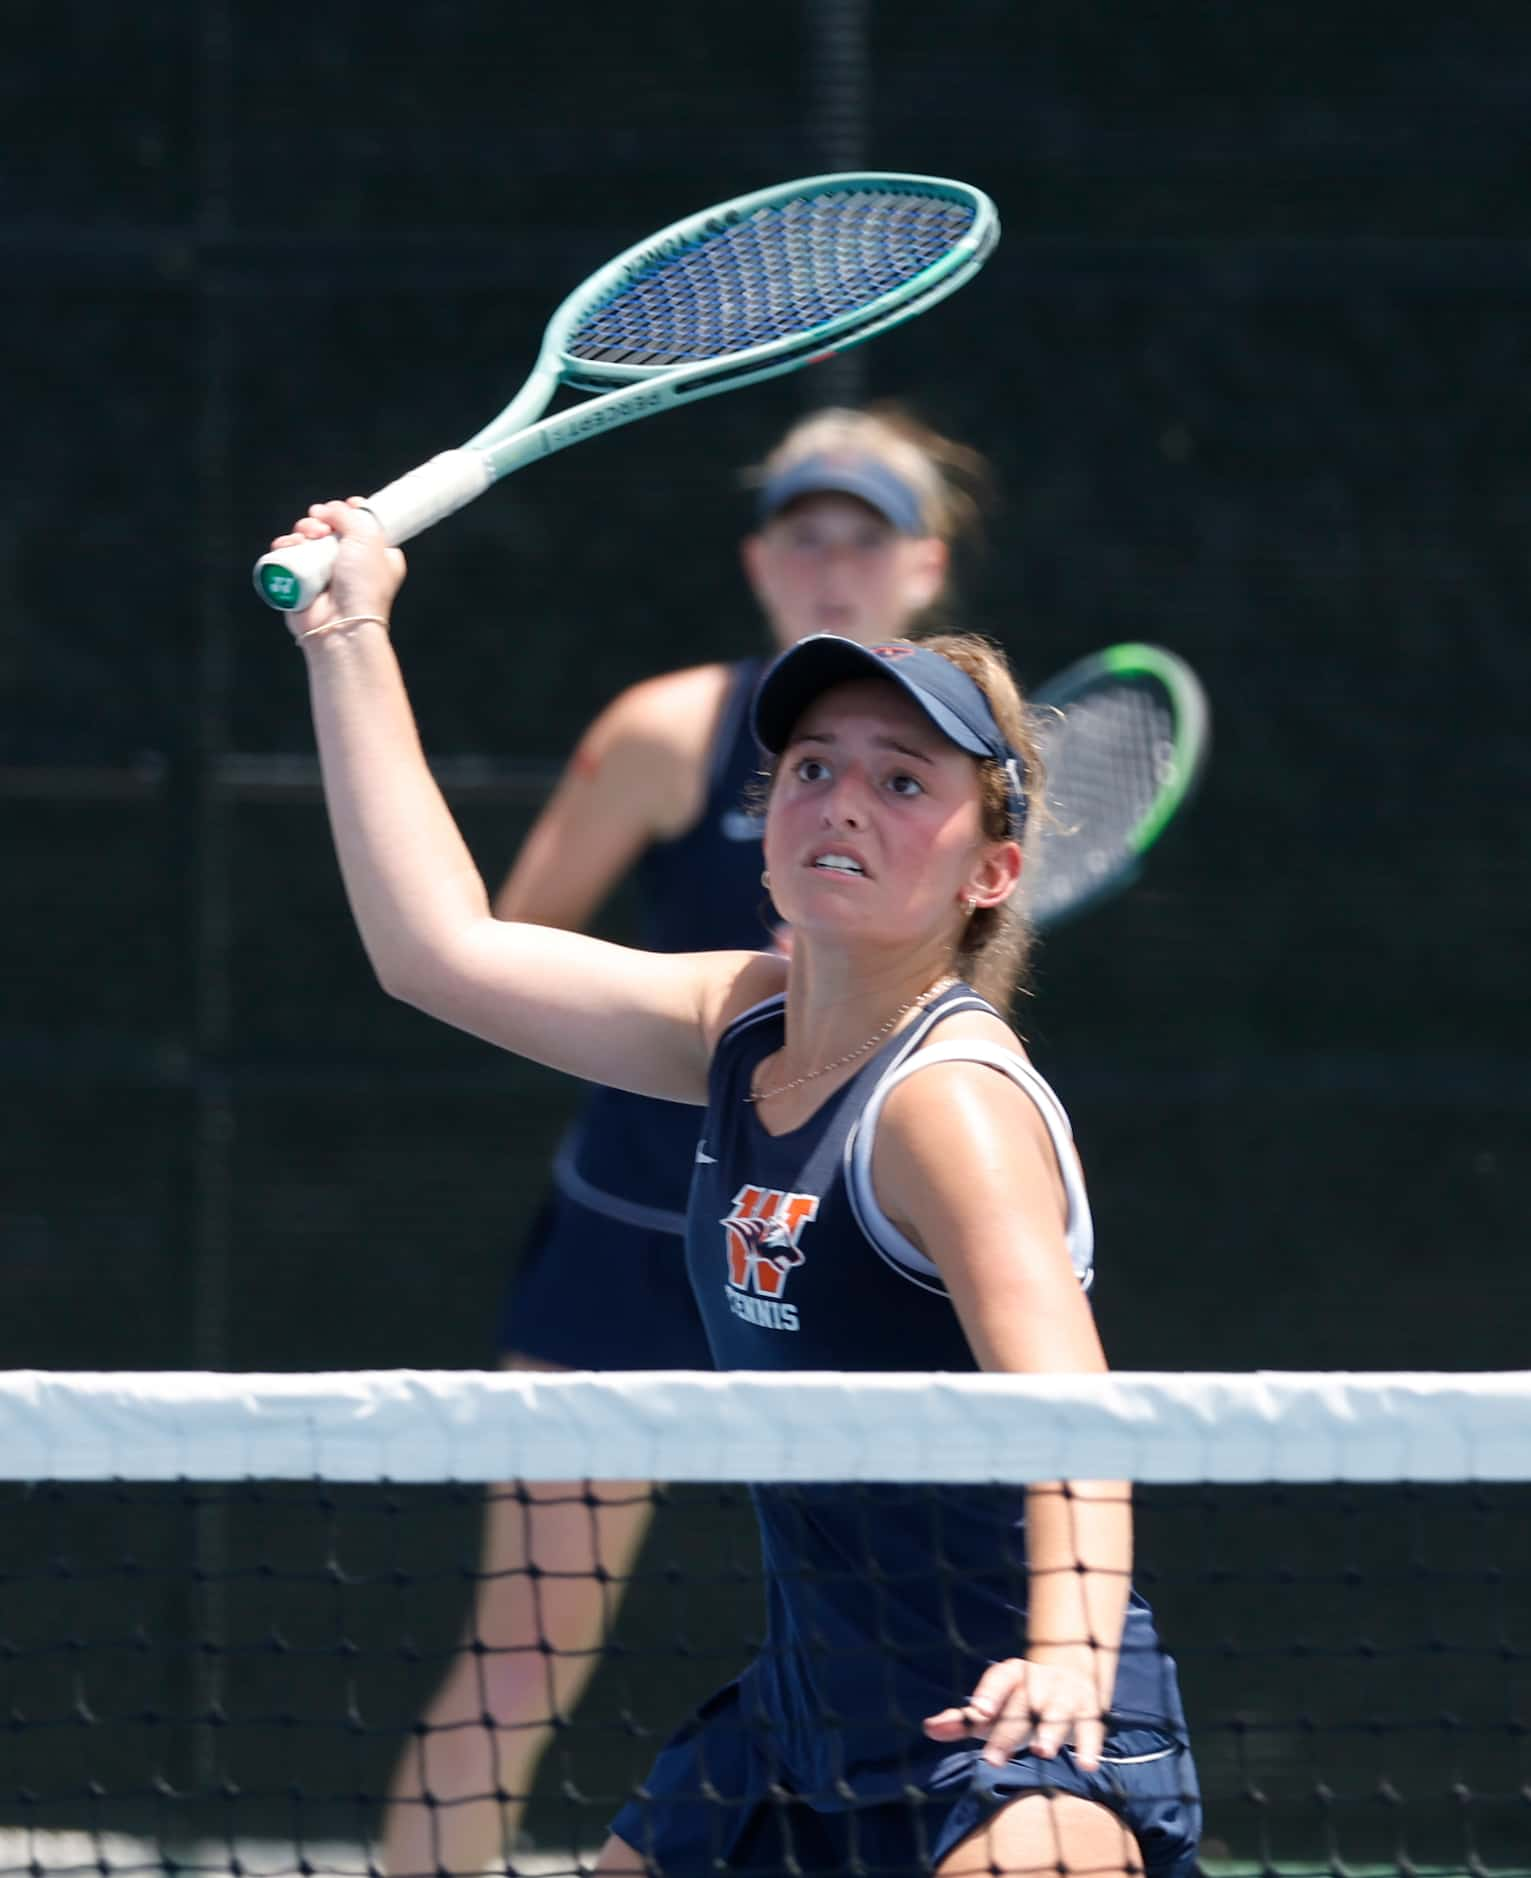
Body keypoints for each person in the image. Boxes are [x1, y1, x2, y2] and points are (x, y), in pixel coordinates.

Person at [266, 488, 1202, 1877]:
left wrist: (1063, 1654)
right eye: (812, 768)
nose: (841, 799)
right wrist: (348, 633)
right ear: (759, 829)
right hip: (803, 1712)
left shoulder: (944, 1106)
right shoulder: (738, 1022)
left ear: (993, 868)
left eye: (902, 781)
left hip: (1008, 1706)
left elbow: (1077, 1410)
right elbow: (437, 952)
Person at [379, 406, 991, 1877]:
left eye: (862, 535)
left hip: (836, 1276)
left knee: (912, 1632)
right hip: (633, 1252)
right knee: (526, 1635)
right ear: (758, 560)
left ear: (924, 563)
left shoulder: (962, 809)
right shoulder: (665, 733)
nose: (829, 564)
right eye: (803, 531)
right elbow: (490, 949)